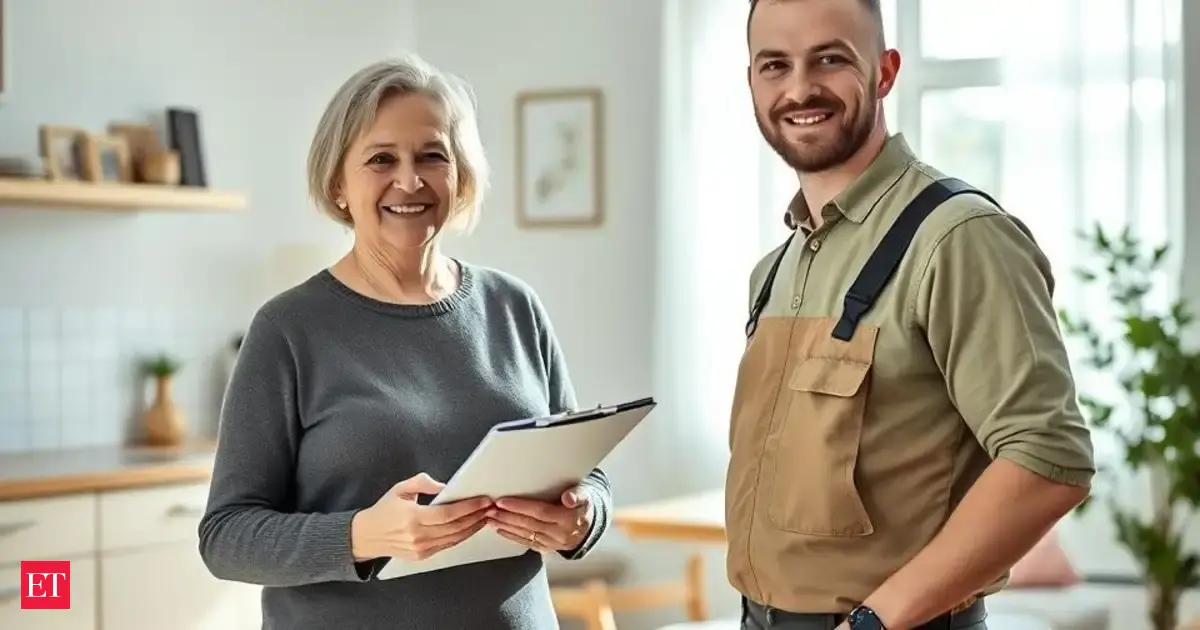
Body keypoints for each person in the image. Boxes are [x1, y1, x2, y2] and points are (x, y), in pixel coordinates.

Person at [197, 55, 613, 630]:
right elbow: (226, 536)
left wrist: (583, 520)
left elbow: (584, 476)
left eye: (432, 156)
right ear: (338, 184)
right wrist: (362, 534)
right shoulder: (287, 330)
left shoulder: (515, 307)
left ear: (460, 176)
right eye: (381, 159)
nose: (410, 180)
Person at [727, 1, 1096, 629]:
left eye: (830, 59)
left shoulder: (958, 237)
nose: (798, 88)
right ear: (753, 83)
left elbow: (1048, 457)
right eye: (774, 65)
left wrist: (875, 622)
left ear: (885, 72)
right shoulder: (775, 269)